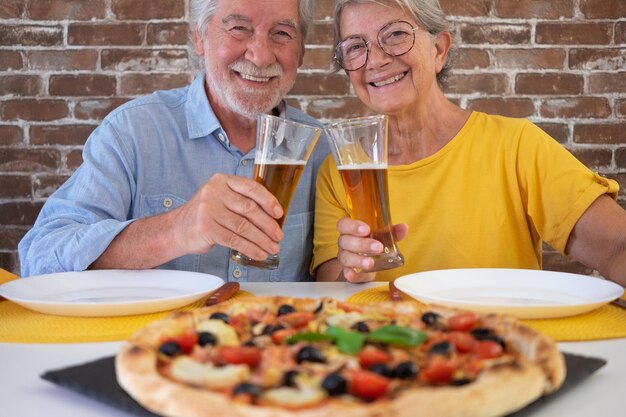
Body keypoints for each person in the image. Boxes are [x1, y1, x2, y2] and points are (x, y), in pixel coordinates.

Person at [312, 0, 626, 286]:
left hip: (499, 343)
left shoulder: (516, 147)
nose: (375, 60)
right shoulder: (341, 168)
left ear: (439, 50)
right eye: (355, 46)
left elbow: (617, 247)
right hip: (387, 346)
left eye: (394, 34)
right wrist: (356, 270)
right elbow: (331, 291)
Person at [19, 0, 329, 282]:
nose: (261, 56)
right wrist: (176, 229)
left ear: (301, 52)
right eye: (238, 28)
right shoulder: (133, 131)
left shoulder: (324, 149)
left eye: (282, 34)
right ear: (200, 38)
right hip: (157, 341)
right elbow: (40, 256)